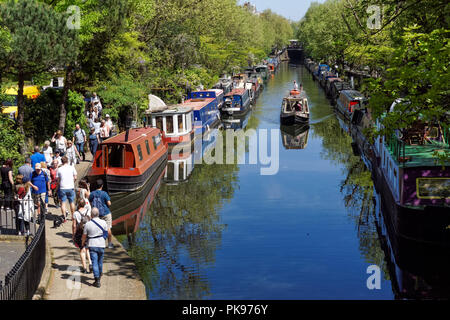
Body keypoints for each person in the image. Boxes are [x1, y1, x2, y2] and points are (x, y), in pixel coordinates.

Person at [81, 207, 110, 288]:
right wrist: (103, 239)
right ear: (98, 214)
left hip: (92, 244)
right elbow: (106, 233)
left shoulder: (88, 224)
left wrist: (83, 243)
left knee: (94, 262)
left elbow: (84, 236)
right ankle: (100, 274)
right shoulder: (103, 222)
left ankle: (97, 280)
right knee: (100, 261)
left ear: (91, 215)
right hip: (101, 244)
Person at [89, 179, 113, 249]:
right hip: (106, 213)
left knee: (97, 228)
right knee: (108, 228)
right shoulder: (104, 193)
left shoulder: (92, 193)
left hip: (96, 214)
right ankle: (109, 244)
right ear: (102, 186)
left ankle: (97, 243)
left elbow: (90, 203)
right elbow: (109, 203)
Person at [72, 199, 92, 274]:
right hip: (88, 232)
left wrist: (73, 235)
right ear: (84, 204)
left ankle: (84, 268)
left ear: (78, 204)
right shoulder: (88, 211)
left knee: (82, 250)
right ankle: (90, 263)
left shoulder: (75, 213)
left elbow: (74, 225)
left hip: (80, 233)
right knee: (87, 248)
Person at [57, 156, 77, 220]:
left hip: (63, 187)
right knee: (71, 202)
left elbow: (58, 179)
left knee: (63, 203)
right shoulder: (72, 168)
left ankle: (64, 217)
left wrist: (58, 186)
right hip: (70, 187)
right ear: (67, 161)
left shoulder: (59, 169)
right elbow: (75, 177)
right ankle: (73, 216)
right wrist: (73, 182)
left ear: (62, 162)